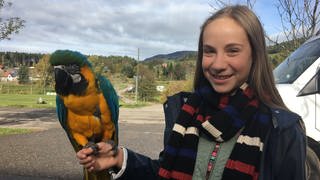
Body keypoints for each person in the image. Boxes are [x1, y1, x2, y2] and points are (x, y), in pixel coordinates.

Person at [77, 5, 307, 180]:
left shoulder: (283, 130)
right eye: (209, 51)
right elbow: (166, 170)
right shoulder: (186, 112)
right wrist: (119, 158)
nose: (217, 64)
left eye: (232, 51)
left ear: (254, 55)